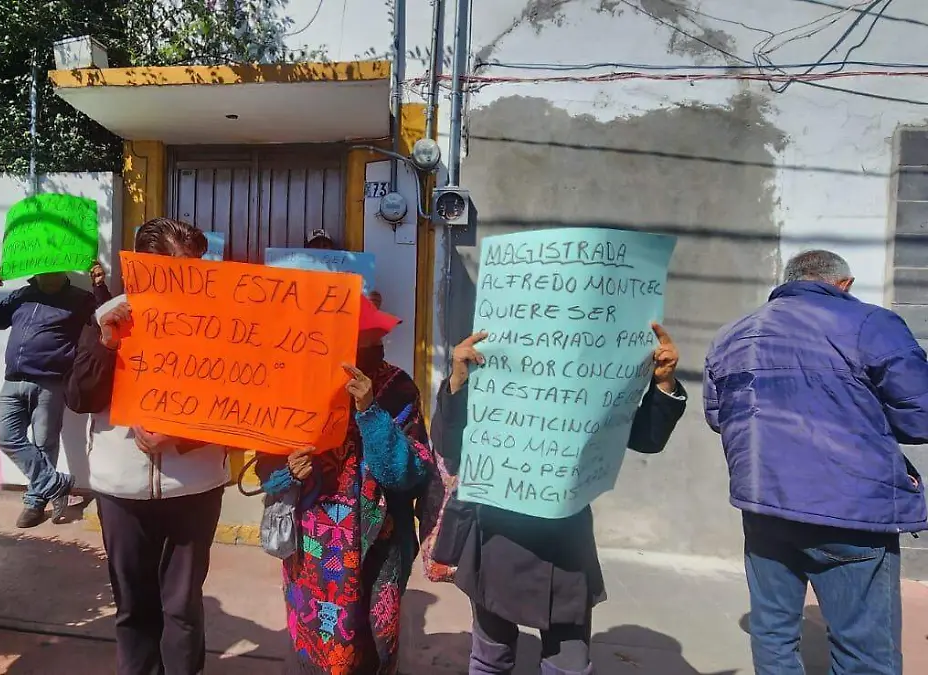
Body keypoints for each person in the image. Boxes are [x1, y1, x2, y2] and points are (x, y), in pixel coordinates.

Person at [704, 249, 928, 675]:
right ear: (843, 284)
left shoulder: (733, 333)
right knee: (864, 649)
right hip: (850, 510)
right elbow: (921, 416)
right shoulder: (871, 324)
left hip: (764, 504)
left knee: (772, 633)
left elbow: (721, 417)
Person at [431, 324, 686, 675]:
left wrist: (663, 384)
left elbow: (648, 438)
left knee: (567, 665)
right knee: (491, 658)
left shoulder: (595, 382)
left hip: (565, 548)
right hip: (495, 539)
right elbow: (449, 446)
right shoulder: (492, 374)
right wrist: (458, 381)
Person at [63, 217, 229, 675]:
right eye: (175, 269)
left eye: (193, 268)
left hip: (195, 487)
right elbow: (79, 398)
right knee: (134, 609)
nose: (186, 279)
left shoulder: (219, 323)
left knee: (181, 608)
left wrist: (182, 433)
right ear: (140, 267)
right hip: (121, 490)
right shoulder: (108, 316)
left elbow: (235, 404)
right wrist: (105, 344)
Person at [256, 297, 431, 675]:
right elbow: (266, 468)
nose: (372, 347)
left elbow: (407, 473)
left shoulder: (398, 388)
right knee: (317, 644)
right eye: (363, 339)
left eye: (374, 340)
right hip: (313, 548)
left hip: (379, 547)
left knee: (374, 645)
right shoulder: (297, 385)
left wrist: (369, 409)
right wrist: (290, 471)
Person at [0, 263, 110, 528]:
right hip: (13, 380)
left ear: (63, 269)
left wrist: (98, 285)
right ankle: (55, 483)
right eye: (43, 269)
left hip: (50, 382)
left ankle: (34, 504)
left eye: (53, 269)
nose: (47, 274)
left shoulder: (79, 299)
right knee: (5, 437)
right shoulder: (22, 295)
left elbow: (105, 320)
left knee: (44, 444)